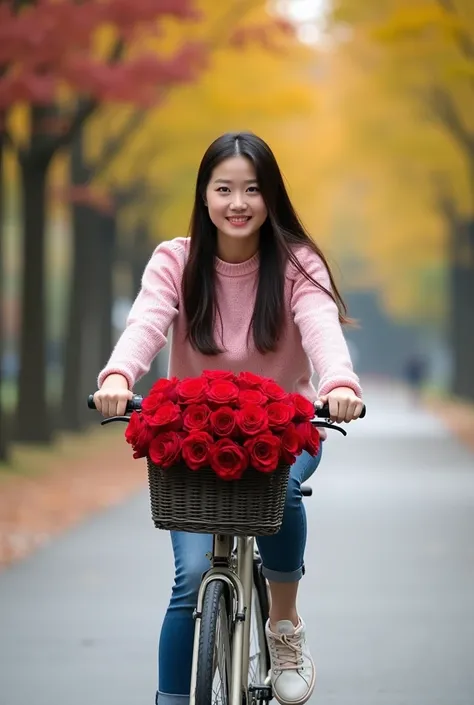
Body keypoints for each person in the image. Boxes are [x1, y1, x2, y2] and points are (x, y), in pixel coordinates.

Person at [94, 132, 364, 705]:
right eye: (224, 189)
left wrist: (338, 384)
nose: (238, 203)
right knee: (190, 578)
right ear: (205, 196)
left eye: (252, 189)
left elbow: (320, 328)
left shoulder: (296, 264)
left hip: (285, 429)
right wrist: (118, 377)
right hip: (192, 435)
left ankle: (284, 627)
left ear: (271, 198)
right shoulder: (176, 260)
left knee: (282, 492)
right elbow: (146, 322)